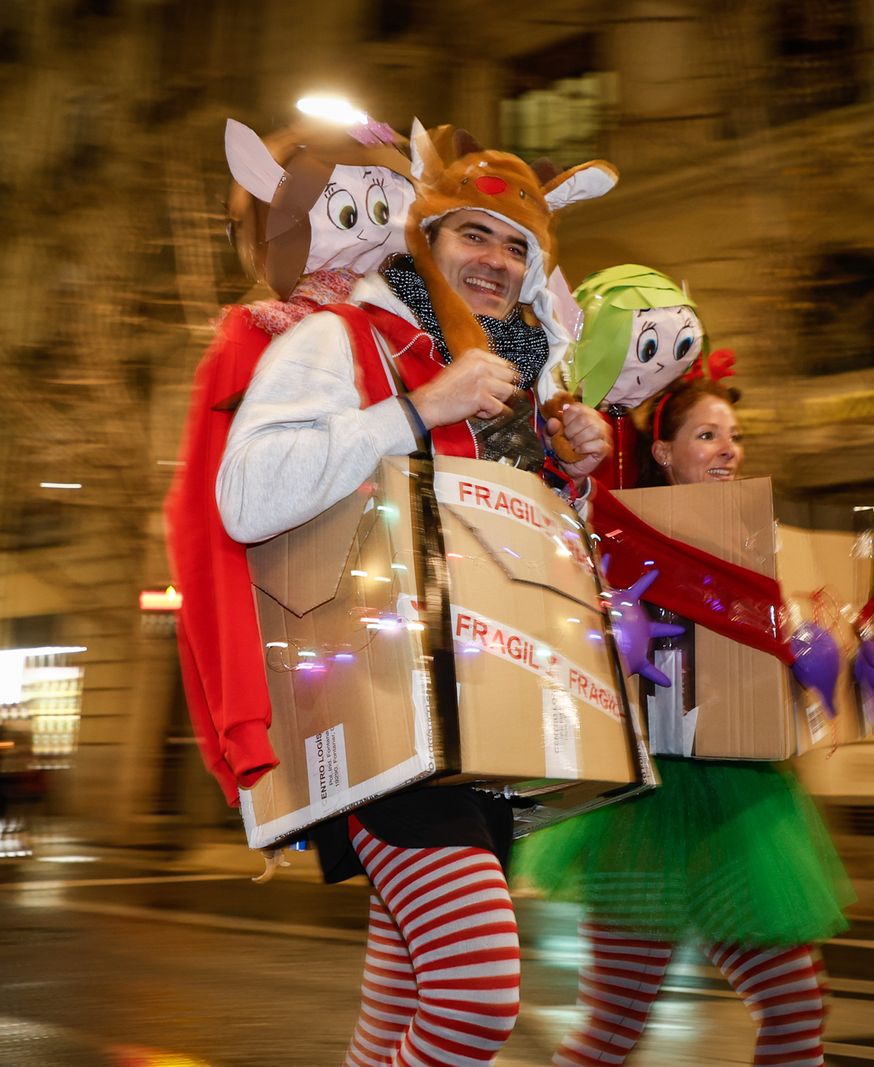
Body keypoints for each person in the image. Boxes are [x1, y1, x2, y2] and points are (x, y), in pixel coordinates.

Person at [217, 129, 617, 1067]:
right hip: (376, 705)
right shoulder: (338, 335)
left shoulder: (522, 390)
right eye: (475, 235)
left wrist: (576, 476)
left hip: (496, 716)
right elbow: (245, 496)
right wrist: (417, 409)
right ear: (424, 243)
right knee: (477, 988)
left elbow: (529, 555)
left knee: (404, 992)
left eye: (520, 246)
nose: (499, 261)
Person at [514, 366, 852, 1067]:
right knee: (613, 1029)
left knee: (796, 1009)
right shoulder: (614, 529)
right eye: (707, 434)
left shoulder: (766, 548)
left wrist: (815, 646)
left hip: (747, 804)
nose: (729, 448)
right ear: (665, 453)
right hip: (645, 807)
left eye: (735, 435)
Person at [166, 117, 416, 806]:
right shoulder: (258, 341)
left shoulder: (415, 332)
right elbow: (213, 528)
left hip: (409, 642)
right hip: (332, 646)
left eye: (388, 205)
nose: (371, 228)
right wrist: (244, 720)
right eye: (348, 208)